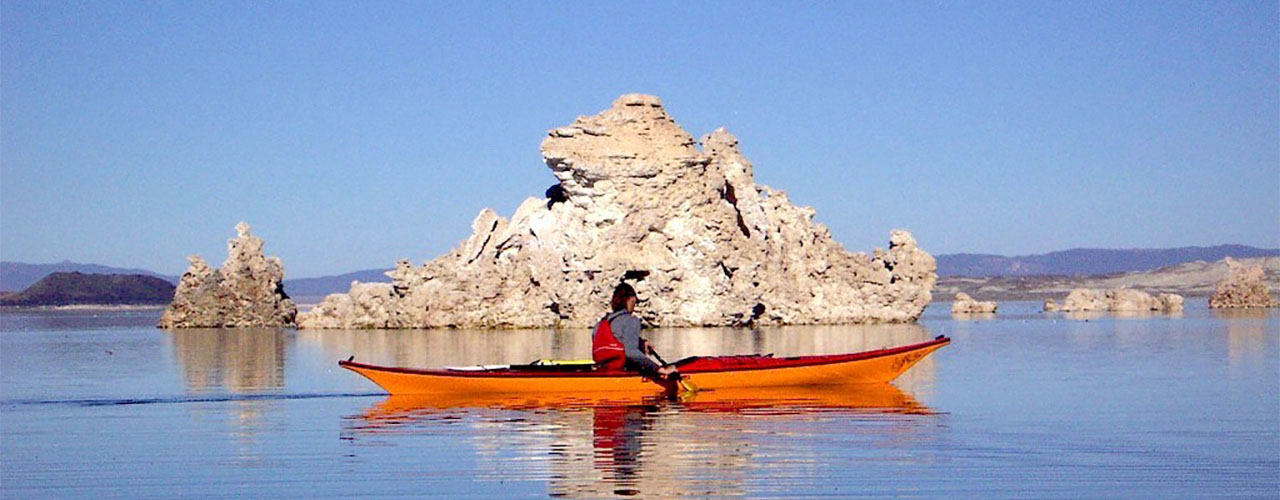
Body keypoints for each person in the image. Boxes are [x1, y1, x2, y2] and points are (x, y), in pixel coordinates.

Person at [593, 283, 678, 379]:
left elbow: (617, 338)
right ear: (632, 299)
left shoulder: (599, 325)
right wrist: (660, 370)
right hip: (624, 372)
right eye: (635, 301)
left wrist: (641, 343)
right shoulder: (631, 320)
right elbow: (631, 353)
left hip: (602, 372)